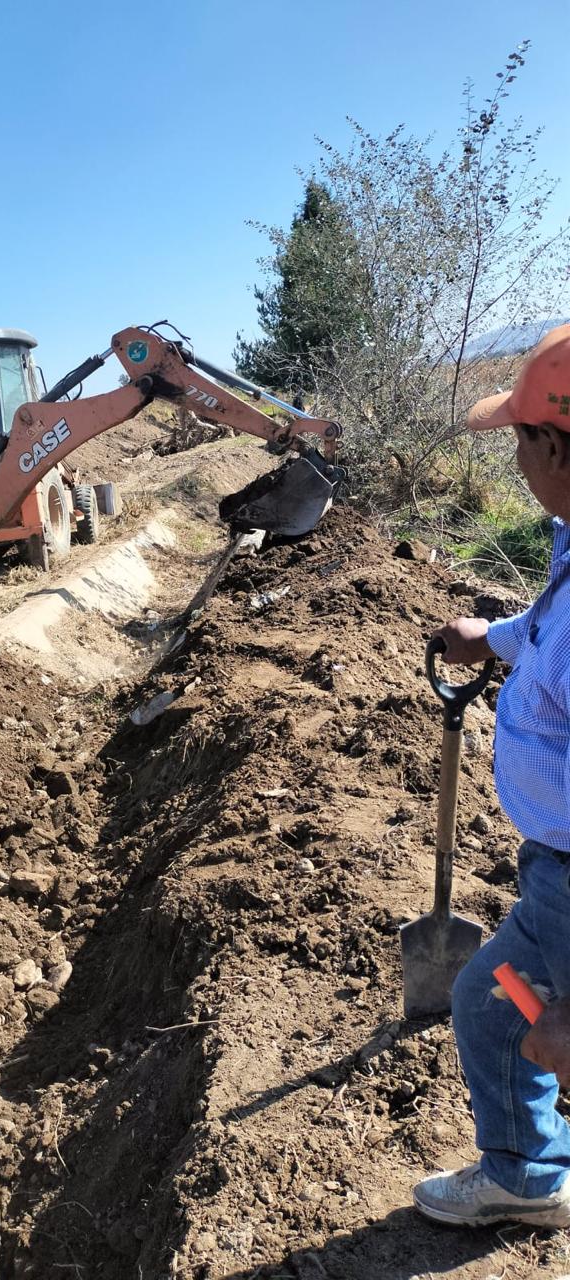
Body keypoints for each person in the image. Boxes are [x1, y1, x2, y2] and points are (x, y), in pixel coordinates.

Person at [414, 323, 570, 1229]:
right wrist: (495, 637)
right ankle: (525, 1173)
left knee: (548, 1027)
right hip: (552, 882)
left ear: (552, 443)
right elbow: (549, 632)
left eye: (516, 436)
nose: (511, 454)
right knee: (488, 995)